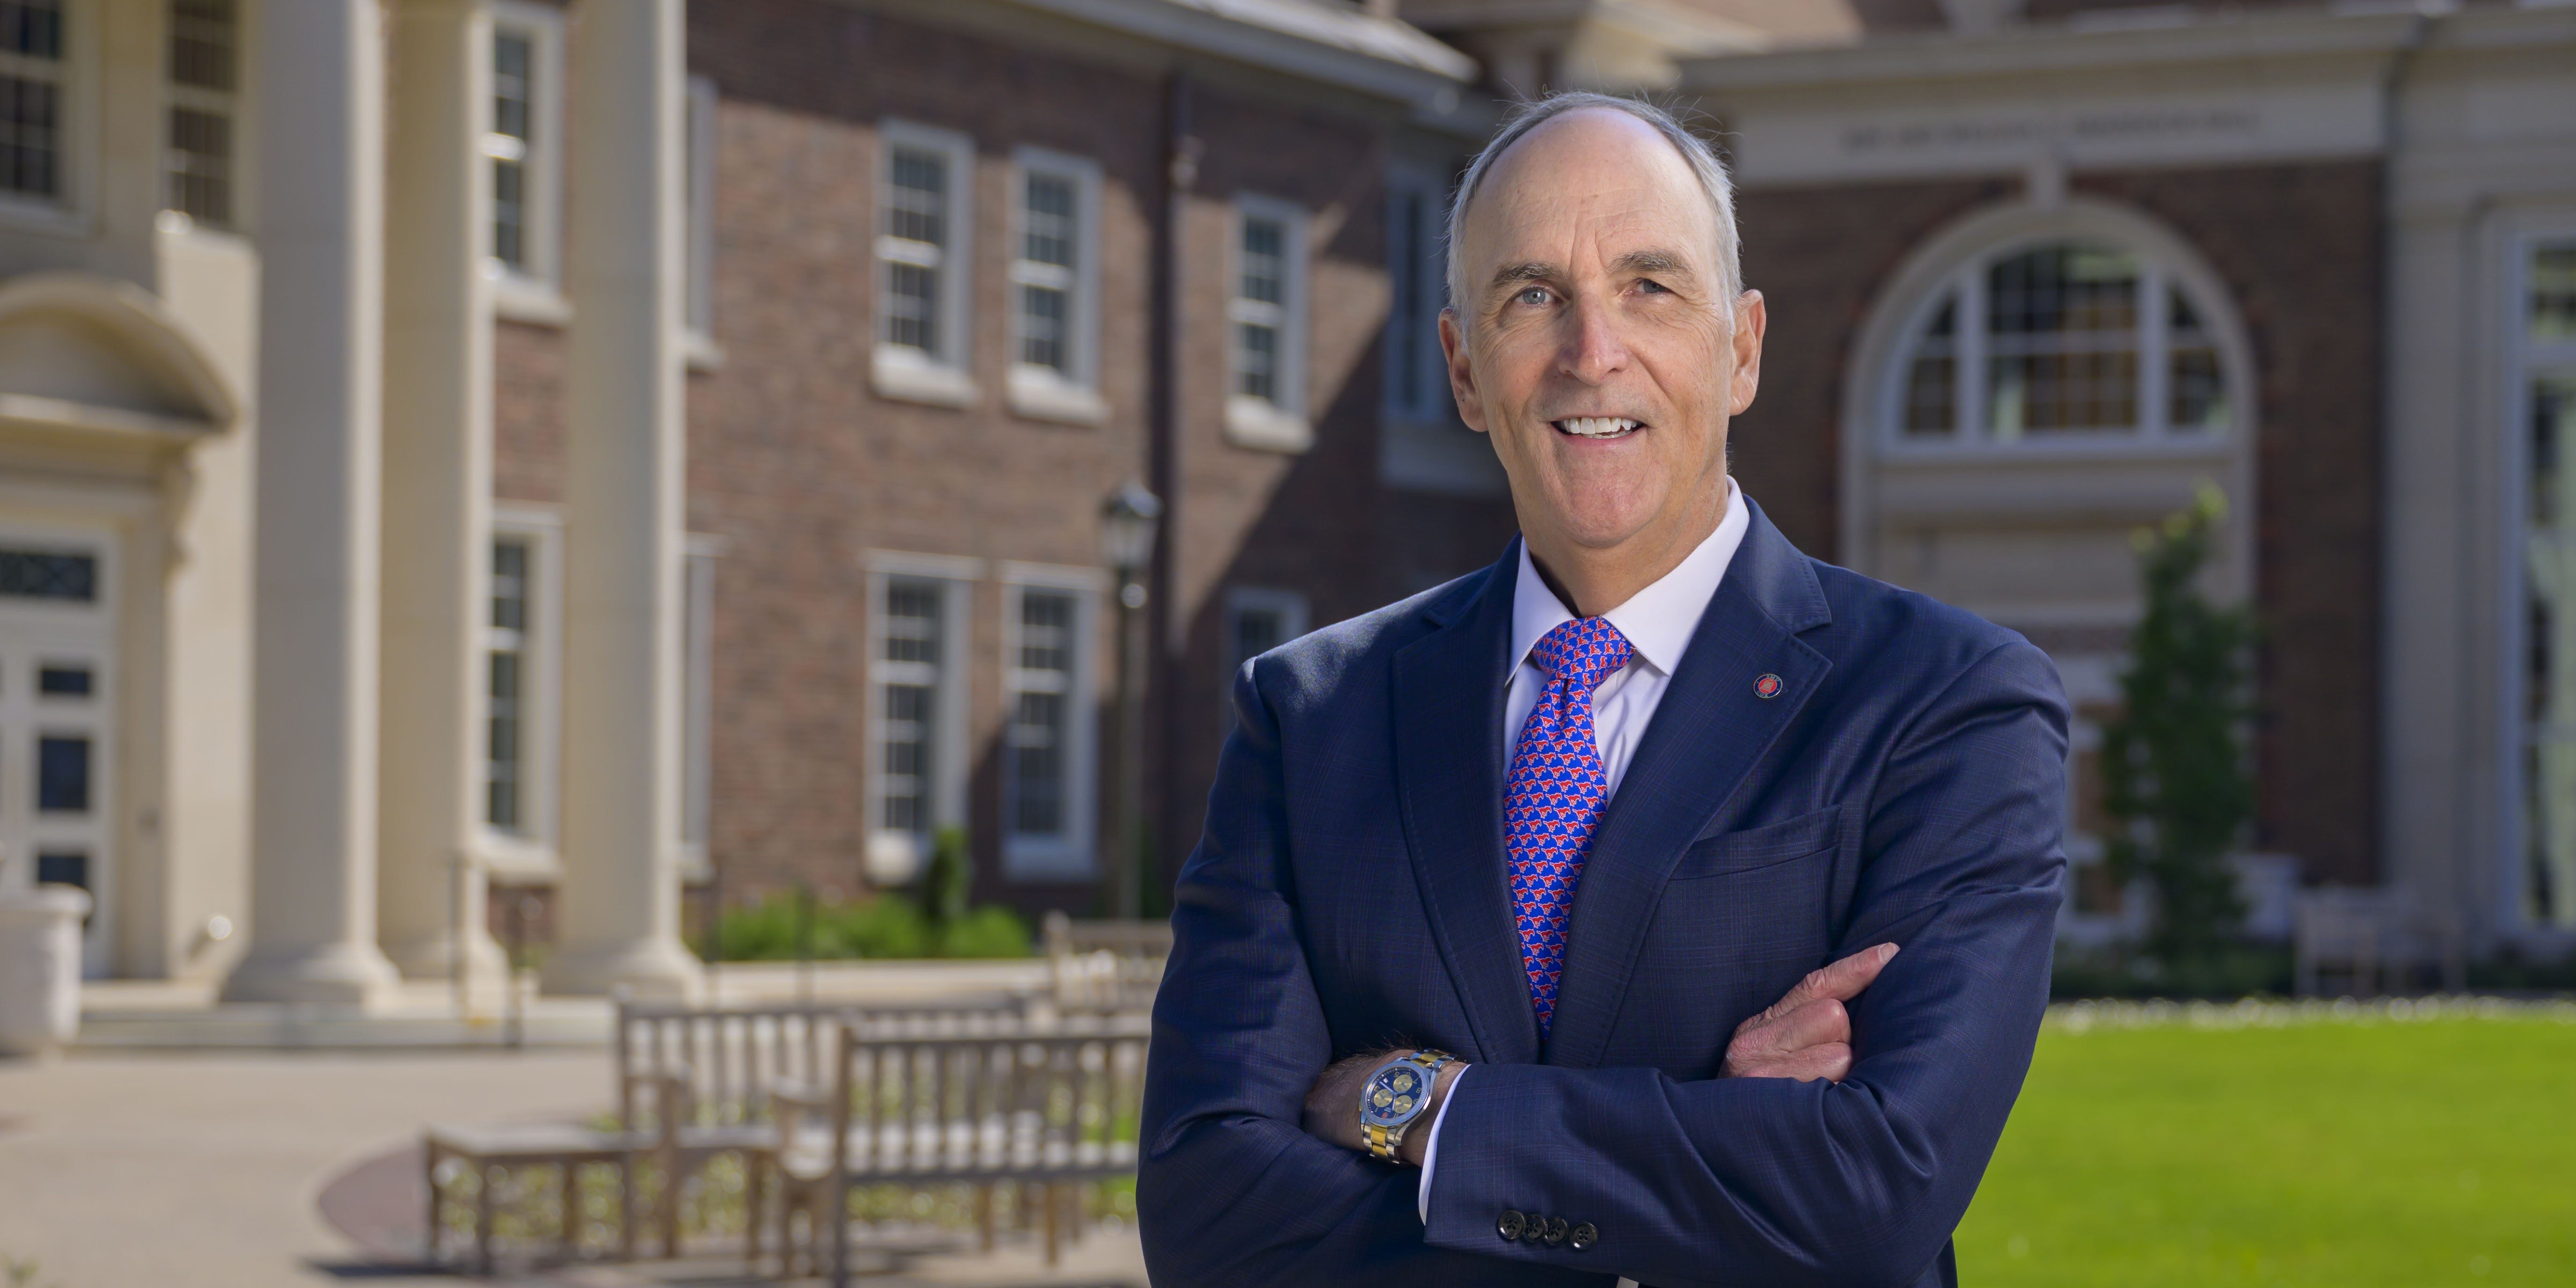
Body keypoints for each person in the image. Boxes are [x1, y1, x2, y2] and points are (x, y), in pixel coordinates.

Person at [1138, 92, 2067, 1288]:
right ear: (1465, 369)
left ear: (1740, 348)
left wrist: (1413, 1108)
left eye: (1649, 287)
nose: (1592, 352)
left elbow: (1873, 1186)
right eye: (1533, 295)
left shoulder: (1948, 706)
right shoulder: (1311, 717)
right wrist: (1704, 1162)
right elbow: (1208, 1215)